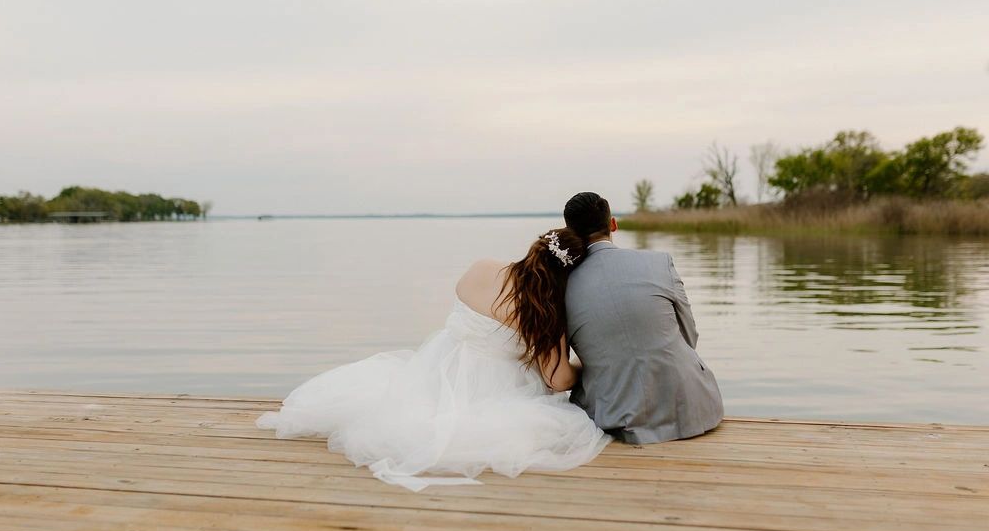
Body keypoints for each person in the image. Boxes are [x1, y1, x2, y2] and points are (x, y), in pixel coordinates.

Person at [256, 227, 609, 491]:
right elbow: (557, 380)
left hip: (437, 366)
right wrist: (584, 364)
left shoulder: (482, 268)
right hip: (490, 387)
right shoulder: (545, 313)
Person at [563, 192, 724, 444]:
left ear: (569, 232)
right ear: (613, 224)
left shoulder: (560, 285)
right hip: (695, 409)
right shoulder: (660, 262)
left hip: (618, 416)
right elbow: (689, 336)